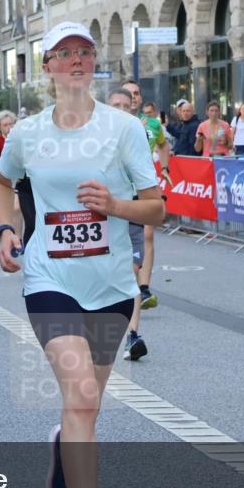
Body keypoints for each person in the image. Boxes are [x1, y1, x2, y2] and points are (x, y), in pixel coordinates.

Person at [0, 21, 164, 488]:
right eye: (63, 53)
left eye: (84, 52)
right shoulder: (27, 133)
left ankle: (63, 445)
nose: (75, 60)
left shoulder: (124, 129)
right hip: (49, 278)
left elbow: (156, 207)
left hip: (111, 286)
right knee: (84, 394)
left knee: (83, 405)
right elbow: (1, 182)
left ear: (94, 62)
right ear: (47, 68)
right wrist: (6, 228)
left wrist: (115, 206)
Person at [106, 87, 149, 361]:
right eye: (116, 105)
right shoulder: (95, 139)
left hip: (131, 211)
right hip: (104, 215)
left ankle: (133, 335)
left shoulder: (139, 136)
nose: (122, 109)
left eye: (126, 105)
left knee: (132, 271)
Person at [121, 80, 170, 310]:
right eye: (129, 93)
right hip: (120, 188)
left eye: (137, 93)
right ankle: (122, 284)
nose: (134, 97)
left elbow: (163, 146)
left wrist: (166, 168)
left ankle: (144, 287)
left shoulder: (152, 124)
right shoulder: (111, 123)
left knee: (147, 234)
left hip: (145, 187)